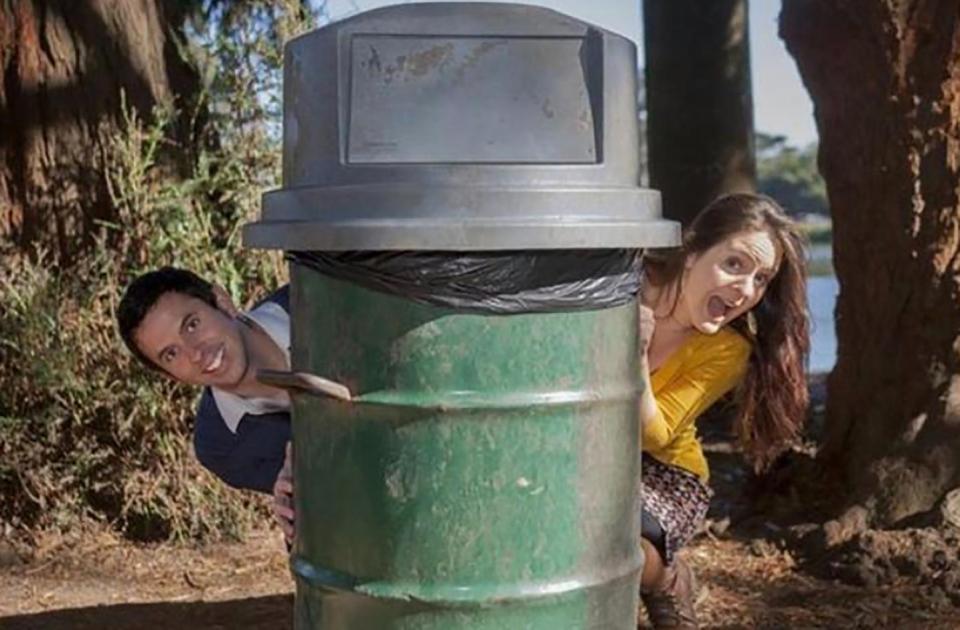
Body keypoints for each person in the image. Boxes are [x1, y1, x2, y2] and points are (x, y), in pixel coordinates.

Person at [636, 193, 809, 628]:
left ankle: (665, 581)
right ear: (692, 252)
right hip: (584, 446)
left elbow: (655, 436)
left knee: (615, 539)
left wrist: (634, 355)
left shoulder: (727, 350)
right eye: (735, 264)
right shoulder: (622, 285)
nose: (746, 291)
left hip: (664, 470)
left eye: (761, 279)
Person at [117, 267, 296, 541]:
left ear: (222, 302)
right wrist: (298, 494)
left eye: (192, 324)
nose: (197, 353)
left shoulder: (317, 297)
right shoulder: (223, 446)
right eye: (171, 353)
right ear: (169, 376)